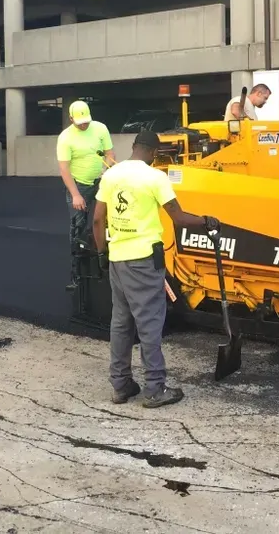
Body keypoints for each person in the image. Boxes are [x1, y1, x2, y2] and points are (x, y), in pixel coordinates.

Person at [93, 131, 220, 409]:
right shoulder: (154, 177)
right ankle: (154, 388)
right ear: (153, 153)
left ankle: (121, 385)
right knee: (150, 324)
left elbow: (97, 219)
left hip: (118, 259)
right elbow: (179, 217)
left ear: (134, 147)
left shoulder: (112, 175)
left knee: (121, 323)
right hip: (144, 261)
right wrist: (206, 220)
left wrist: (102, 252)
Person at [57, 100, 115, 290]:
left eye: (86, 121)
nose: (84, 124)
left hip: (100, 182)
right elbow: (64, 169)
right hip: (78, 186)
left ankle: (108, 264)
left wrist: (107, 173)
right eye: (80, 121)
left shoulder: (100, 129)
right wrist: (75, 195)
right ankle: (77, 276)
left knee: (109, 221)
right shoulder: (65, 138)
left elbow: (109, 154)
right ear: (71, 118)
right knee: (77, 229)